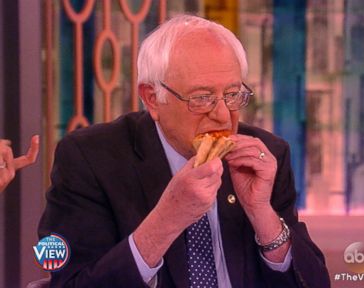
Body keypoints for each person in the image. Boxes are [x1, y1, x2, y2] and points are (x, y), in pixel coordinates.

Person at [38, 15, 330, 287]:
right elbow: (72, 282)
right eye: (202, 98)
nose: (222, 116)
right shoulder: (90, 158)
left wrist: (262, 214)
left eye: (231, 95)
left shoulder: (267, 154)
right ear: (153, 99)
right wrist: (167, 218)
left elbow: (315, 281)